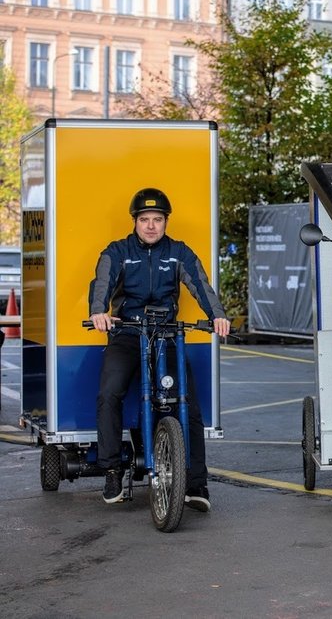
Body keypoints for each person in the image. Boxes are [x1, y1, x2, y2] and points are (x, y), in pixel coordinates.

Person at [89, 187, 231, 510]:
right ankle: (111, 470)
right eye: (144, 219)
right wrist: (99, 311)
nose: (151, 226)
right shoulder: (117, 251)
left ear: (166, 222)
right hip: (127, 333)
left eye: (157, 219)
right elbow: (101, 284)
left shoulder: (179, 253)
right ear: (135, 222)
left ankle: (195, 484)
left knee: (188, 403)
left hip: (166, 335)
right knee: (109, 393)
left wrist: (218, 316)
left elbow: (201, 285)